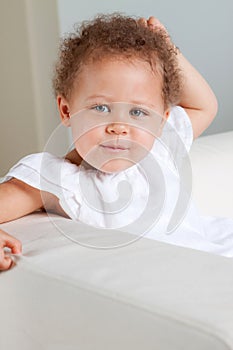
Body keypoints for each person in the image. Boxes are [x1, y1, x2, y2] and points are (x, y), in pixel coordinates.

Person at [1, 14, 232, 272]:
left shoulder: (161, 147)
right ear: (66, 111)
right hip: (183, 277)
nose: (119, 127)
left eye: (137, 112)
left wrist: (170, 51)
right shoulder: (62, 178)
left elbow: (204, 106)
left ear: (160, 120)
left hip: (215, 252)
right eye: (100, 108)